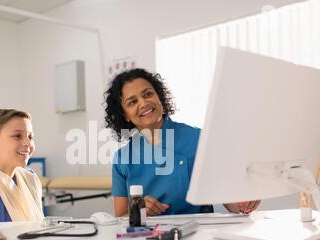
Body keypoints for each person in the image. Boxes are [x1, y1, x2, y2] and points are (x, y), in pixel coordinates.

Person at [104, 68, 260, 218]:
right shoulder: (122, 158)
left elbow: (229, 200)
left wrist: (243, 202)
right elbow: (121, 216)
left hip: (196, 236)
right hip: (145, 238)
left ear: (159, 97)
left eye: (148, 94)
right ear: (125, 115)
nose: (143, 103)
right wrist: (139, 210)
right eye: (132, 102)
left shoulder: (198, 139)